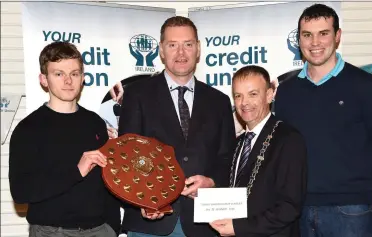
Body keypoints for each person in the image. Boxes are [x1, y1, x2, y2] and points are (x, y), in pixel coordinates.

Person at [275, 4, 372, 237]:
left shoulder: (365, 86)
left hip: (352, 211)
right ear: (299, 40)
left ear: (337, 36)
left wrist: (358, 187)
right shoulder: (286, 92)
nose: (315, 43)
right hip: (298, 211)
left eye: (323, 33)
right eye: (307, 35)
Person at [118, 16, 236, 237]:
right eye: (173, 45)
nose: (181, 53)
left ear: (198, 49)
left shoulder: (219, 101)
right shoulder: (136, 95)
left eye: (188, 45)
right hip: (151, 221)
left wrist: (211, 181)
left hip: (206, 223)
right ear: (161, 50)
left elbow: (227, 157)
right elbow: (126, 157)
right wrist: (144, 200)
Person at [8, 41, 121, 237]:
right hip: (51, 232)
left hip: (100, 230)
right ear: (44, 79)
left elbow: (107, 181)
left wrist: (113, 228)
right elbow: (20, 192)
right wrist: (77, 171)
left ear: (83, 78)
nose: (68, 81)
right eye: (59, 74)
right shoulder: (28, 129)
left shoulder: (95, 122)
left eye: (74, 74)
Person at [209, 65, 307, 237]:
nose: (244, 103)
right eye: (238, 96)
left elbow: (289, 207)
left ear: (269, 95)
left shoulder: (288, 139)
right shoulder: (237, 143)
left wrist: (239, 228)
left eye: (253, 94)